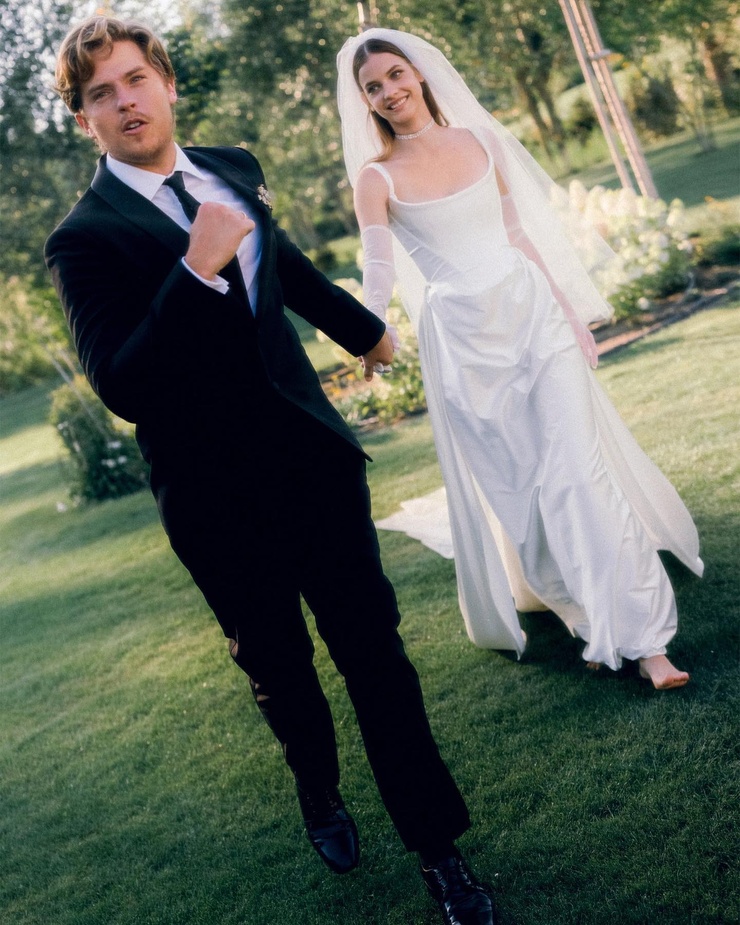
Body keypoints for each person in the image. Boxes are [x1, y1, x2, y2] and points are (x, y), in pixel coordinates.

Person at [45, 17, 498, 925]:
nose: (125, 101)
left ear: (167, 83)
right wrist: (194, 268)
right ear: (84, 118)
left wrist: (363, 331)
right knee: (281, 669)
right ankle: (317, 786)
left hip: (311, 460)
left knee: (376, 656)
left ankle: (441, 853)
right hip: (213, 498)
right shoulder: (82, 238)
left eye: (135, 79)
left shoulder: (232, 167)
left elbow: (280, 265)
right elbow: (122, 383)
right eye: (101, 94)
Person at [337, 28, 703, 691]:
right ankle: (585, 614)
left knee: (580, 474)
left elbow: (516, 235)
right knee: (523, 491)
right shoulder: (376, 177)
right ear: (365, 100)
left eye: (395, 74)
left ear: (419, 73)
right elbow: (379, 265)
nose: (389, 91)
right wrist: (369, 328)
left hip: (534, 318)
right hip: (465, 344)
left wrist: (570, 315)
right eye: (373, 86)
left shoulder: (481, 141)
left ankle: (649, 642)